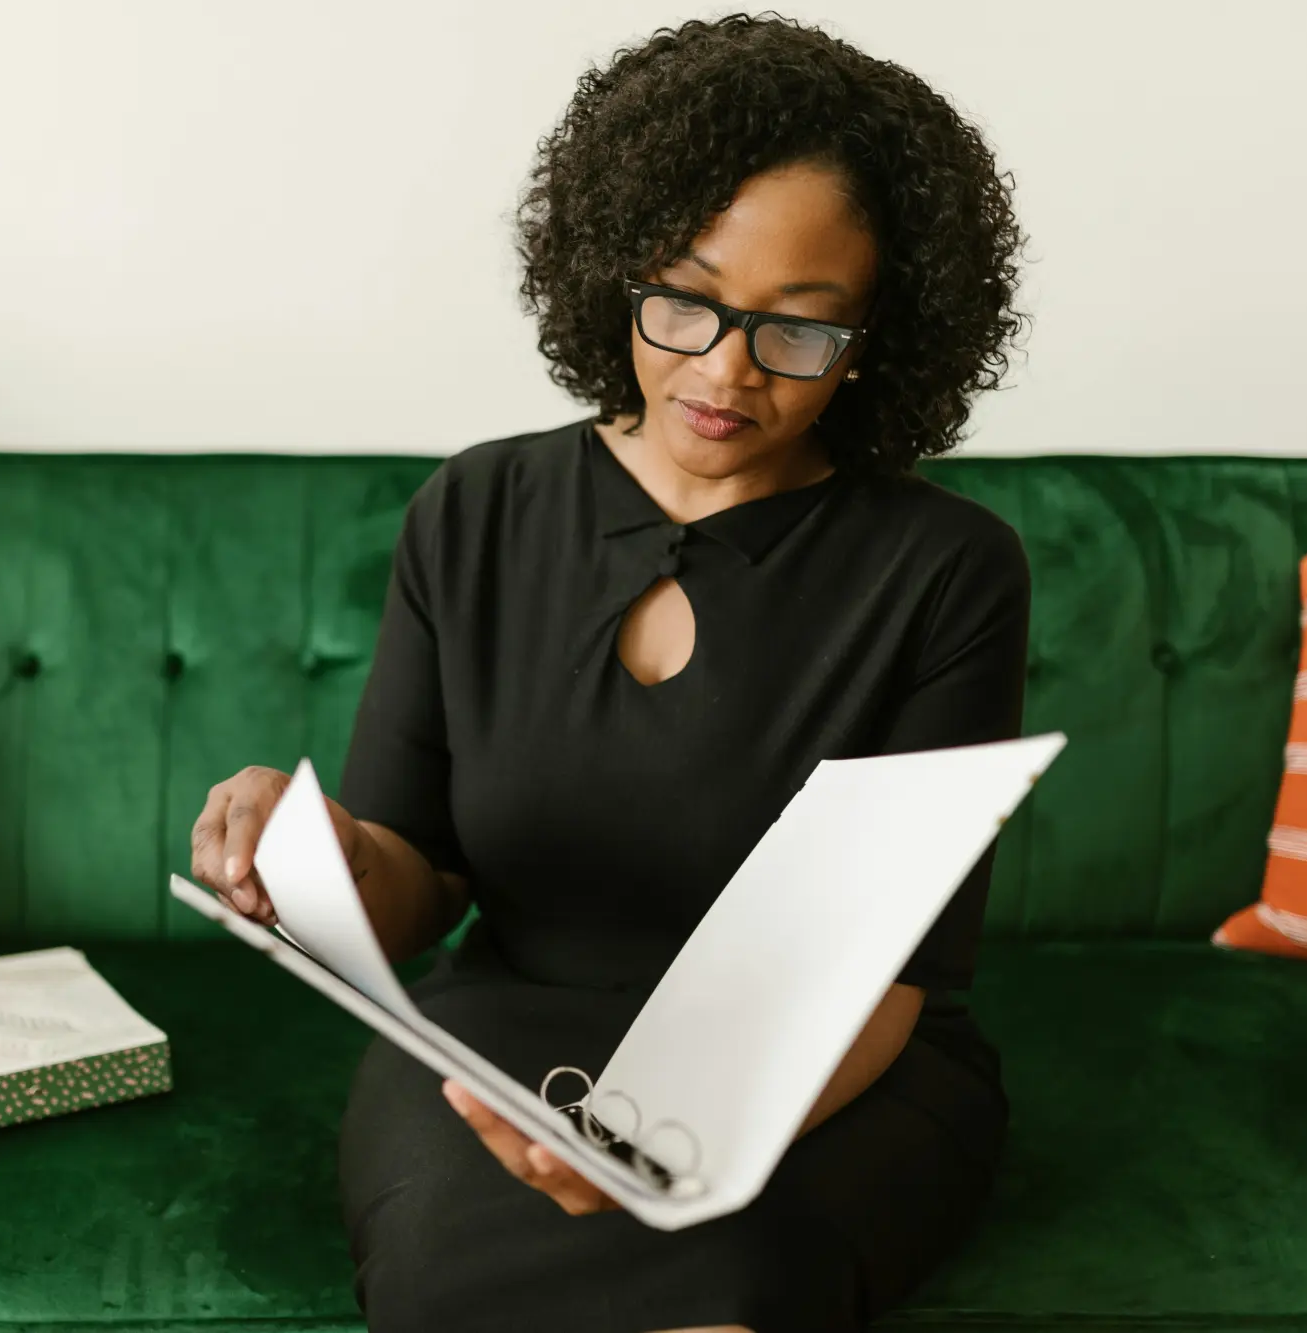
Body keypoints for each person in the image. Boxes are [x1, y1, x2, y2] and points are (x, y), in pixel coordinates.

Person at [189, 14, 1029, 1333]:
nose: (724, 371)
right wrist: (322, 860)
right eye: (685, 301)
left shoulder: (947, 571)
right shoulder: (477, 509)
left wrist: (682, 1154)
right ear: (614, 269)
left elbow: (892, 976)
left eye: (799, 332)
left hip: (822, 1072)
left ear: (875, 340)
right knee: (455, 1283)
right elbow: (414, 881)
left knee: (735, 1283)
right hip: (500, 1049)